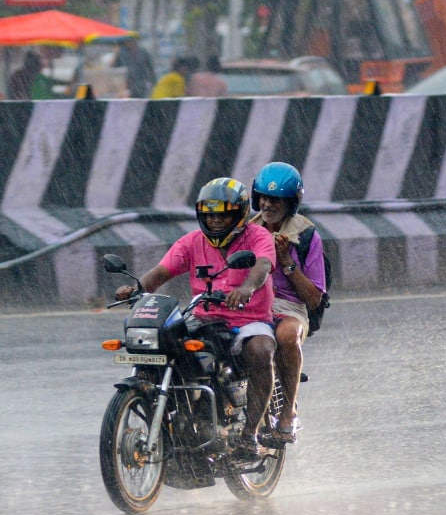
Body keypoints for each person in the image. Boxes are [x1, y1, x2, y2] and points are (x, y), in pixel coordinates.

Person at [114, 177, 277, 459]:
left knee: (261, 351)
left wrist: (247, 288)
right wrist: (137, 289)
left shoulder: (258, 236)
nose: (215, 220)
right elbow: (162, 272)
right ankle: (183, 418)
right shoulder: (191, 242)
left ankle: (249, 434)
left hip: (247, 320)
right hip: (203, 317)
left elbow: (262, 265)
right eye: (209, 214)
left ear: (239, 213)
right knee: (165, 345)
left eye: (222, 213)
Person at [248, 162, 327, 444]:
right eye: (264, 198)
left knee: (285, 335)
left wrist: (286, 262)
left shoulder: (307, 235)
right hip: (252, 303)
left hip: (289, 306)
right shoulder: (246, 230)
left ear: (290, 203)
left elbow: (314, 298)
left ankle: (288, 412)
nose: (268, 205)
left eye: (276, 200)